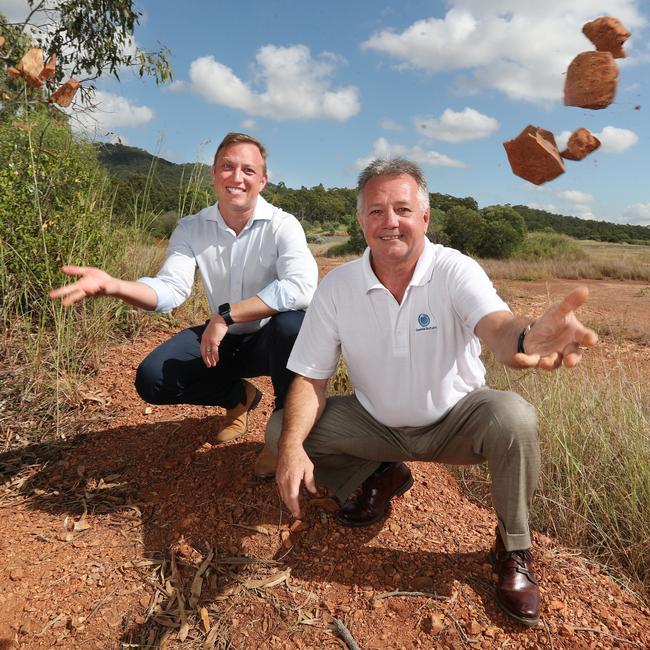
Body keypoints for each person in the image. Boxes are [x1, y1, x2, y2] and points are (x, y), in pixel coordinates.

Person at [267, 157, 598, 628]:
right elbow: (311, 378)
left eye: (402, 209)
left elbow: (498, 328)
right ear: (361, 221)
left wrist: (526, 338)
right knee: (283, 428)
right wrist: (293, 448)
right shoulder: (338, 285)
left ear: (424, 217)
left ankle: (513, 549)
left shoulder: (454, 270)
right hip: (377, 424)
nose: (390, 222)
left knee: (515, 416)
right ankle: (380, 475)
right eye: (376, 211)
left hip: (455, 422)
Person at [50, 132, 318, 475]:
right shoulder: (191, 228)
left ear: (262, 180)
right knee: (153, 379)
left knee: (292, 324)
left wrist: (225, 316)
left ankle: (283, 434)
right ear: (213, 173)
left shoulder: (283, 225)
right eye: (228, 167)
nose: (237, 177)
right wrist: (116, 286)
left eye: (248, 171)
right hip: (219, 342)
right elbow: (170, 289)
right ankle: (238, 397)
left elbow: (302, 287)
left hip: (270, 340)